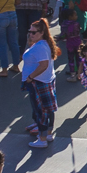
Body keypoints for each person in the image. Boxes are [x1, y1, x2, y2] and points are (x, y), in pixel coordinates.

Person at [20, 18, 57, 148]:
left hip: (38, 82)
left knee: (41, 110)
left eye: (34, 32)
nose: (30, 34)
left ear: (41, 33)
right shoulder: (43, 44)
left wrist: (30, 77)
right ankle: (47, 133)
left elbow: (43, 65)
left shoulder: (40, 47)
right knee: (48, 109)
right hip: (44, 81)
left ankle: (42, 139)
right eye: (29, 31)